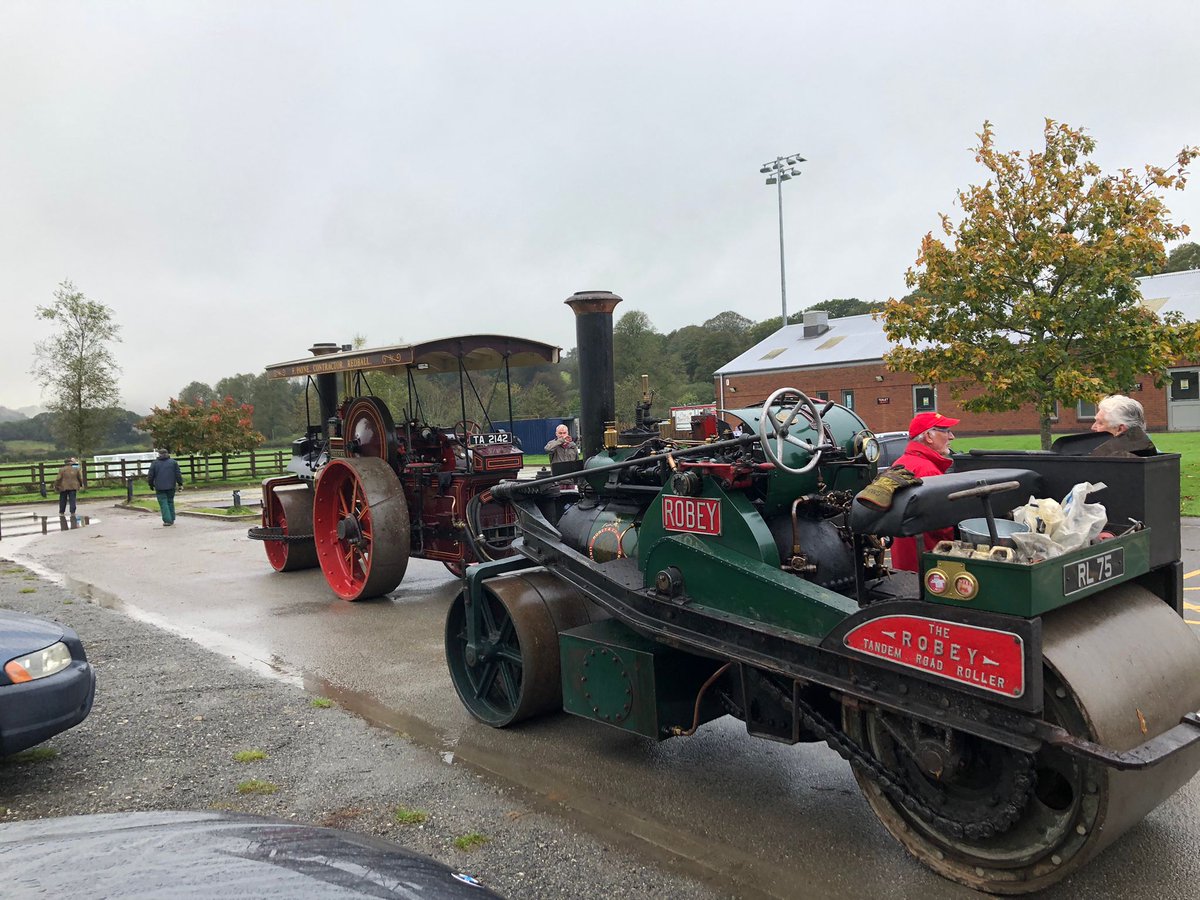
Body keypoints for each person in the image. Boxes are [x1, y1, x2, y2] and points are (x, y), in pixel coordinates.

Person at [889, 411, 960, 572]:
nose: (951, 436)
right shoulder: (928, 471)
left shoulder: (899, 463)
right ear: (929, 436)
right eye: (946, 430)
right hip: (928, 566)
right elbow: (942, 526)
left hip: (904, 562)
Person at [1090, 395, 1157, 457]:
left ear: (1120, 429)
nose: (1093, 427)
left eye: (1100, 423)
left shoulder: (1113, 460)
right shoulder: (1154, 455)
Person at [147, 448, 184, 526]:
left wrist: (151, 484)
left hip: (159, 486)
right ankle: (172, 518)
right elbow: (178, 474)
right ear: (167, 453)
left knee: (163, 502)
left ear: (159, 454)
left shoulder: (155, 463)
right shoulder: (173, 462)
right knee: (170, 501)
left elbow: (150, 475)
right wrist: (180, 483)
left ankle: (167, 520)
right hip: (171, 485)